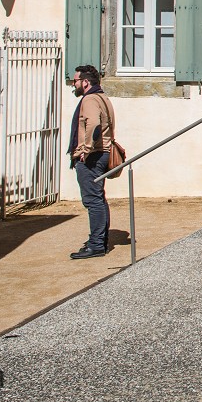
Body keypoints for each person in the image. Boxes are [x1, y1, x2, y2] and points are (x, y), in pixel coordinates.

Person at [68, 65, 114, 259]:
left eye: (75, 81)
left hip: (93, 155)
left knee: (93, 201)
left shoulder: (89, 99)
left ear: (85, 82)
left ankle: (96, 245)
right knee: (98, 199)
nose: (74, 84)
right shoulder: (103, 97)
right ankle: (99, 240)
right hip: (101, 152)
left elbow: (94, 124)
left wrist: (85, 149)